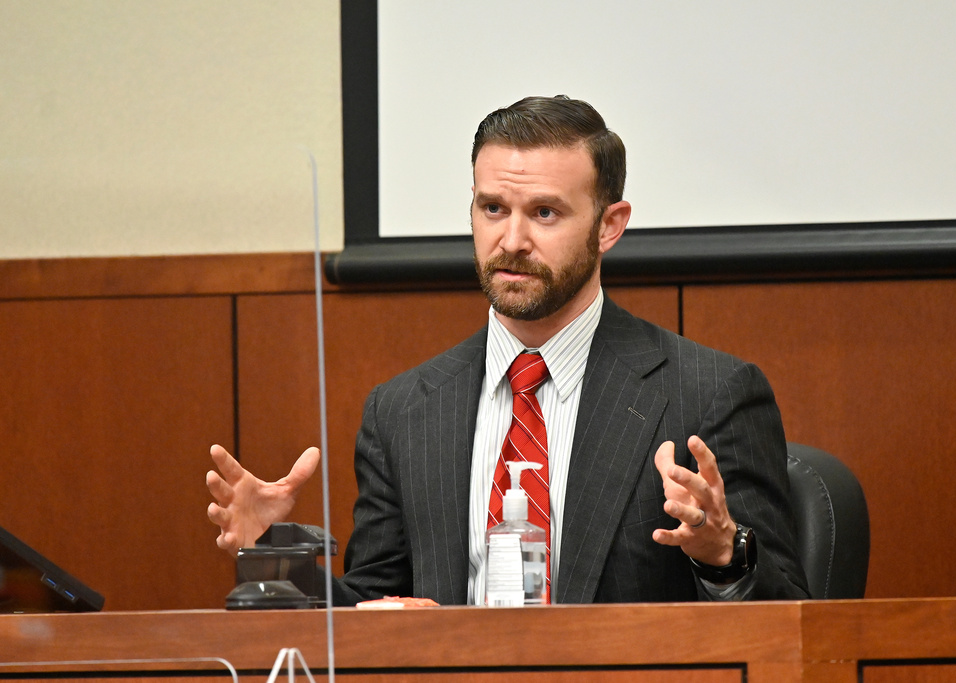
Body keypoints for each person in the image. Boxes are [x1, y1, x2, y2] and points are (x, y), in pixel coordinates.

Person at [207, 95, 810, 605]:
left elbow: (791, 618)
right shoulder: (403, 411)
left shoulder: (708, 393)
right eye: (493, 208)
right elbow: (374, 610)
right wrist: (278, 558)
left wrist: (724, 554)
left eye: (545, 213)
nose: (512, 240)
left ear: (609, 225)